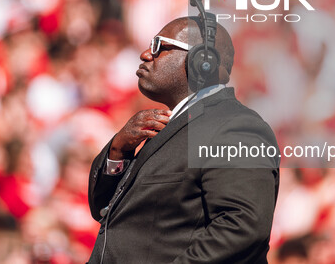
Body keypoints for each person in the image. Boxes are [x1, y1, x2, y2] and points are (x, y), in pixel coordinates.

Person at [87, 16, 279, 264]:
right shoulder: (174, 127)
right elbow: (103, 209)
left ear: (203, 61)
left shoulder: (235, 127)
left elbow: (242, 226)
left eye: (159, 46)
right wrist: (118, 150)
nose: (146, 54)